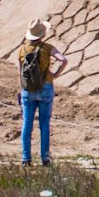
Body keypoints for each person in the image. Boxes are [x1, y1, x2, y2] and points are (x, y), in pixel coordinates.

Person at [16, 19, 67, 166]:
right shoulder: (47, 48)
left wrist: (21, 91)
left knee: (27, 124)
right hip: (46, 87)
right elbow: (63, 60)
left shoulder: (21, 50)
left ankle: (26, 159)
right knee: (44, 124)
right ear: (42, 34)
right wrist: (55, 74)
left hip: (27, 89)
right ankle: (45, 158)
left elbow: (19, 74)